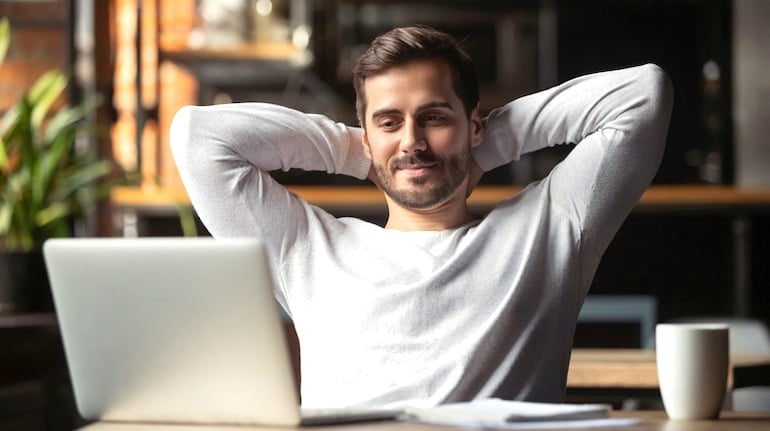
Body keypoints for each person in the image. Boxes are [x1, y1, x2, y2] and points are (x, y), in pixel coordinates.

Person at [170, 26, 673, 409]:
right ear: (366, 134)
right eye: (390, 122)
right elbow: (200, 139)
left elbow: (643, 96)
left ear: (472, 122)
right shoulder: (304, 248)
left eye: (434, 117)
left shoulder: (550, 227)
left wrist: (483, 146)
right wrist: (359, 151)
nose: (412, 141)